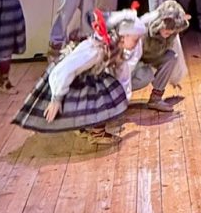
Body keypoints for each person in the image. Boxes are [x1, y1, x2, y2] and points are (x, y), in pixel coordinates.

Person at [13, 8, 145, 141]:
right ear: (123, 37)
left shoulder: (115, 50)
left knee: (109, 90)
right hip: (65, 80)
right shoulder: (96, 50)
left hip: (83, 78)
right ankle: (95, 132)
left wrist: (123, 99)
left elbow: (122, 76)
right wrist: (56, 99)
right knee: (102, 97)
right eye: (135, 40)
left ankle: (85, 126)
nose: (137, 44)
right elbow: (65, 69)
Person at [129, 0, 190, 110]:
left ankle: (155, 99)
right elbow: (128, 60)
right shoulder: (142, 28)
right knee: (145, 76)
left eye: (172, 31)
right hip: (133, 63)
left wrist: (175, 79)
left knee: (171, 57)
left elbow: (177, 53)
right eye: (167, 29)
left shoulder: (172, 32)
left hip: (152, 58)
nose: (170, 33)